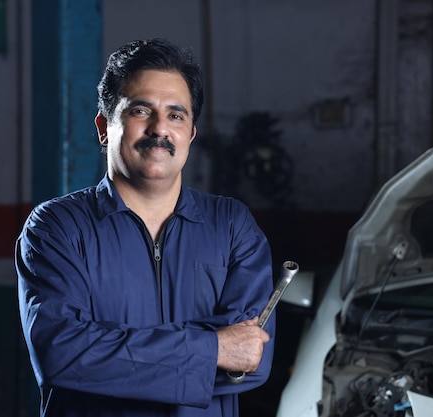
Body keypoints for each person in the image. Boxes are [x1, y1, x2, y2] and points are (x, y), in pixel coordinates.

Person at [16, 38, 275, 417]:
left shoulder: (233, 226)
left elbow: (251, 360)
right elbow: (63, 354)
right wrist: (213, 348)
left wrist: (109, 354)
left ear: (190, 134)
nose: (160, 129)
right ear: (105, 127)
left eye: (176, 115)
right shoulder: (57, 228)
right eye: (141, 110)